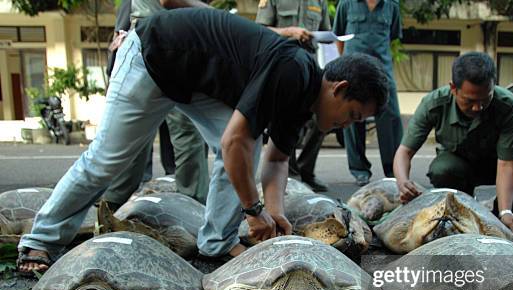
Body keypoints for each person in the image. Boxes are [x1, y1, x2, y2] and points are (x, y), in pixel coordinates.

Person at [17, 8, 389, 273]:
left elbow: (276, 161)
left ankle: (217, 241)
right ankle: (41, 237)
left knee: (248, 148)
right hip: (154, 55)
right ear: (338, 89)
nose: (346, 126)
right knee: (108, 159)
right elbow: (233, 142)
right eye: (353, 115)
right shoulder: (293, 69)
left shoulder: (302, 100)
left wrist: (274, 214)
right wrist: (253, 210)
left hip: (195, 82)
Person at [393, 52, 513, 236]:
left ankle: (507, 214)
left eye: (485, 98)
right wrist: (402, 182)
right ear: (453, 88)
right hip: (459, 169)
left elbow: (506, 164)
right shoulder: (434, 104)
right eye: (470, 101)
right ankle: (462, 210)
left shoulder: (508, 105)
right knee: (442, 168)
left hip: (497, 165)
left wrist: (505, 211)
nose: (478, 107)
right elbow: (404, 152)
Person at [102, 0, 211, 208]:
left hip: (163, 36)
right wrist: (214, 15)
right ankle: (194, 205)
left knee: (140, 133)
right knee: (176, 133)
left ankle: (112, 204)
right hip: (160, 37)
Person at [256, 0, 331, 191]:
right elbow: (260, 30)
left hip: (311, 68)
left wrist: (321, 36)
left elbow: (327, 34)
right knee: (285, 119)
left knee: (321, 119)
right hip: (283, 65)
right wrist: (289, 31)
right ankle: (291, 175)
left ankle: (306, 169)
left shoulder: (319, 2)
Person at [333, 0, 403, 186]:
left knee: (391, 116)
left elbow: (392, 36)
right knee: (353, 116)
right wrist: (344, 62)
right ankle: (360, 170)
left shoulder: (392, 5)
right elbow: (339, 36)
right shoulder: (346, 3)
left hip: (383, 70)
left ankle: (392, 170)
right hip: (353, 70)